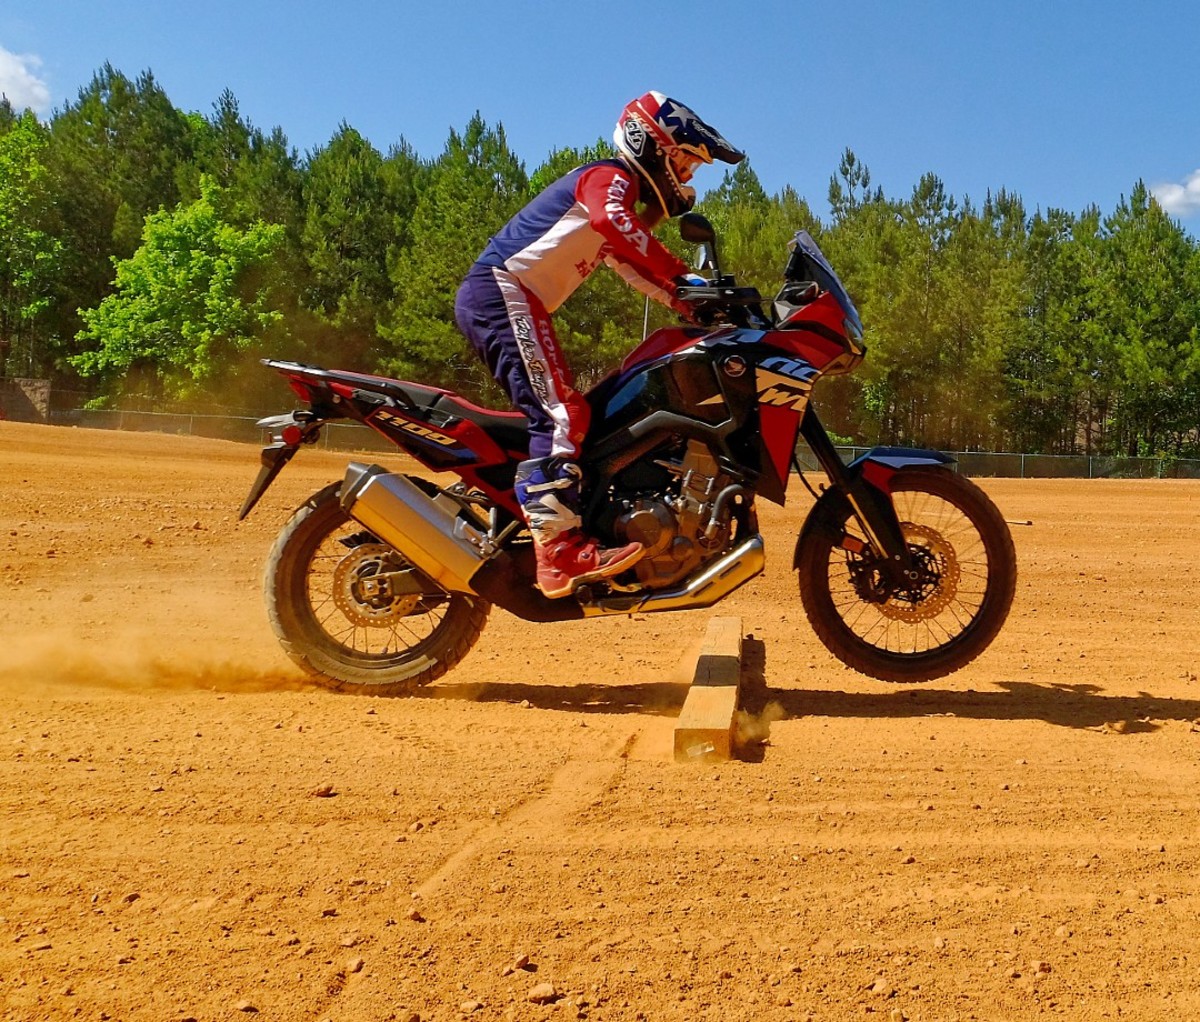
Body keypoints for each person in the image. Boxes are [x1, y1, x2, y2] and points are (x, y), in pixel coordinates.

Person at [454, 91, 744, 599]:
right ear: (652, 145)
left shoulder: (618, 201)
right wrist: (682, 277)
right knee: (561, 414)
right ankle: (559, 552)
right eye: (686, 160)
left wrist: (692, 301)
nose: (690, 177)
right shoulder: (607, 178)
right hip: (500, 291)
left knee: (578, 414)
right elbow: (615, 225)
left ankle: (570, 516)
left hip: (512, 297)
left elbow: (629, 260)